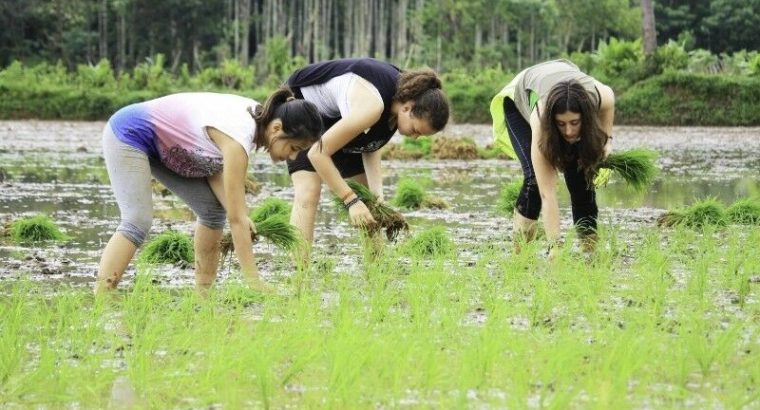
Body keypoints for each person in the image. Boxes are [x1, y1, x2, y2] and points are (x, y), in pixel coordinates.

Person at [95, 88, 323, 293]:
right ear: (276, 128)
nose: (292, 157)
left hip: (163, 146)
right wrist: (255, 283)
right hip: (131, 133)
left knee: (213, 211)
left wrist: (242, 215)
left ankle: (204, 293)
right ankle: (103, 295)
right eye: (294, 148)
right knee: (137, 220)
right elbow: (236, 220)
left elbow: (213, 165)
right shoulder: (239, 137)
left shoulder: (255, 120)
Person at [284, 58, 450, 262]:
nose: (415, 137)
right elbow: (317, 153)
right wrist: (350, 201)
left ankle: (377, 270)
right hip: (300, 105)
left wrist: (377, 197)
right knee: (309, 192)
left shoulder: (400, 101)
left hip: (336, 116)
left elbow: (371, 145)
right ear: (407, 108)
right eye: (416, 130)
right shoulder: (372, 105)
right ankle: (298, 274)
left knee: (368, 202)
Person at [490, 59, 615, 255]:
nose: (569, 131)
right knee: (534, 181)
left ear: (585, 116)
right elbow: (547, 194)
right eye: (562, 124)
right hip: (520, 97)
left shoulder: (597, 97)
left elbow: (610, 101)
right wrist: (555, 247)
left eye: (575, 122)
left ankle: (590, 252)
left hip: (562, 79)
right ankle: (520, 255)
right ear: (552, 121)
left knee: (582, 177)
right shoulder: (541, 120)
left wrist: (607, 141)